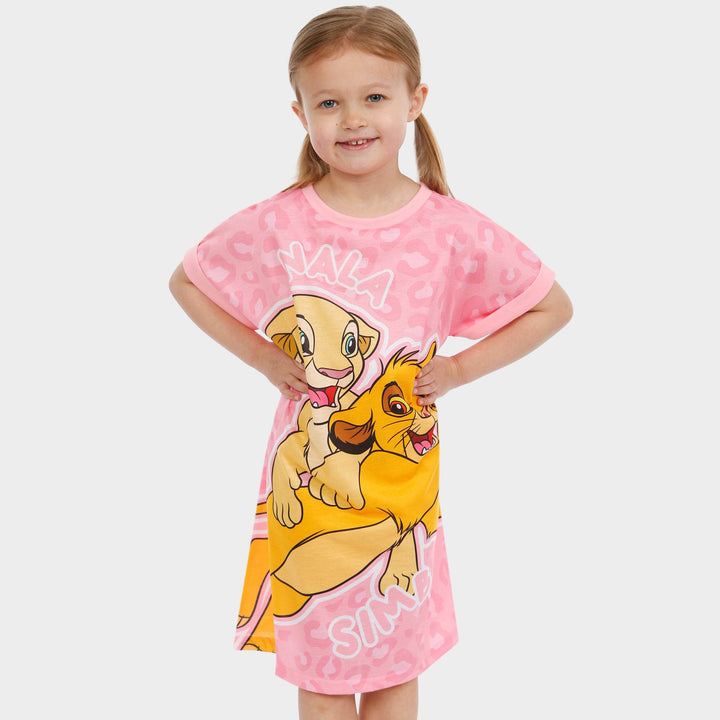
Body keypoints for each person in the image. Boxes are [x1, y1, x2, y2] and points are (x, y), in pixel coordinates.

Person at [169, 5, 572, 719]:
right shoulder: (279, 222)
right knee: (321, 671)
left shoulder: (450, 228)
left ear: (415, 101)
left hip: (403, 492)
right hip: (312, 484)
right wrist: (264, 357)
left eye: (375, 97)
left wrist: (459, 371)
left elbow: (550, 306)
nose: (353, 119)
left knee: (395, 664)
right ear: (301, 113)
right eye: (329, 103)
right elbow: (189, 283)